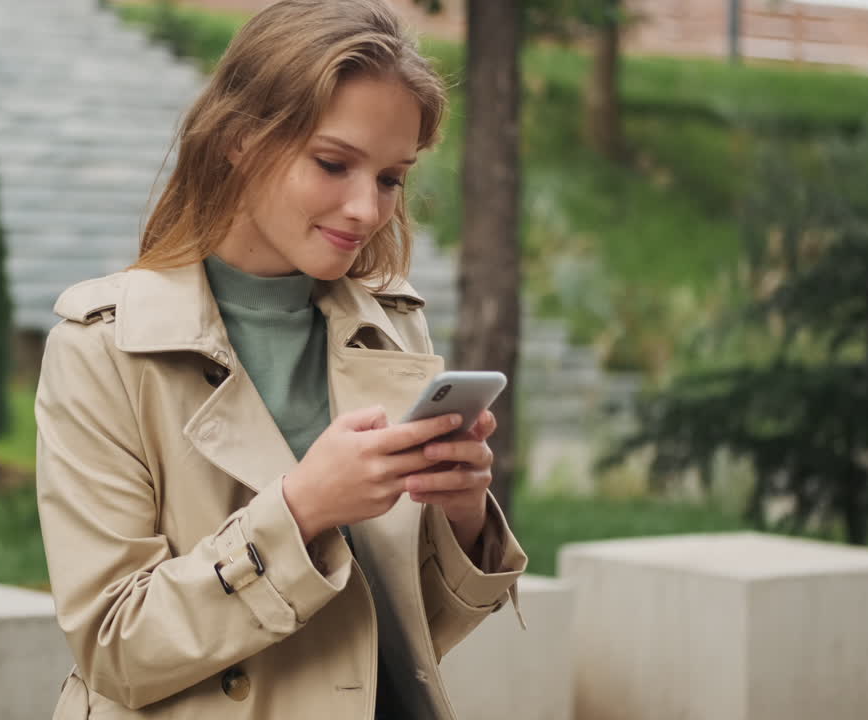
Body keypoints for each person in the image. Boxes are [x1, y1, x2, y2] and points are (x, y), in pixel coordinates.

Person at [35, 1, 527, 718]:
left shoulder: (389, 330)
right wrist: (301, 512)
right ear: (239, 139)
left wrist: (458, 517)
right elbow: (117, 650)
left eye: (391, 178)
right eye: (333, 163)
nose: (366, 208)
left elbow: (400, 643)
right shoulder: (104, 348)